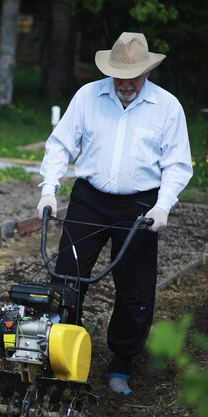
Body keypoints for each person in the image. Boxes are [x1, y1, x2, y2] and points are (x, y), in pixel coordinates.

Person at [36, 32, 193, 395]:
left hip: (140, 205)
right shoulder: (88, 97)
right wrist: (48, 189)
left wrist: (163, 205)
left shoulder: (167, 108)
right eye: (118, 75)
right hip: (89, 199)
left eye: (131, 76)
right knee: (68, 279)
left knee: (135, 289)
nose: (124, 83)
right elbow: (60, 145)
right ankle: (60, 356)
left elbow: (178, 165)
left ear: (146, 73)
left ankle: (121, 364)